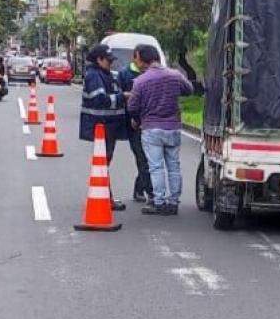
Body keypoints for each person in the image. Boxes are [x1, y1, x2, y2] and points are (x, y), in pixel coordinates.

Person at [128, 53, 201, 215]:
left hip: (151, 128)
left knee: (156, 167)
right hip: (173, 127)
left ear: (143, 59)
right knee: (174, 167)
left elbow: (132, 107)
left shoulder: (140, 81)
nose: (136, 62)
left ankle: (159, 202)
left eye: (137, 58)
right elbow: (189, 90)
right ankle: (173, 202)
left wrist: (137, 118)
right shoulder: (175, 75)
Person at [80, 43, 129, 211]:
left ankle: (106, 196)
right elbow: (99, 99)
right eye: (108, 61)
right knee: (103, 162)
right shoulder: (94, 76)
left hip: (109, 126)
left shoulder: (106, 74)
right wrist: (122, 97)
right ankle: (105, 197)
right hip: (101, 126)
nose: (111, 64)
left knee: (105, 162)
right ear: (99, 60)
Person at [116, 45, 155, 204]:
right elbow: (118, 97)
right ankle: (151, 193)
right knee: (143, 159)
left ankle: (140, 188)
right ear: (136, 57)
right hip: (134, 124)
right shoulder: (125, 74)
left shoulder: (153, 74)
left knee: (151, 159)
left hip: (152, 123)